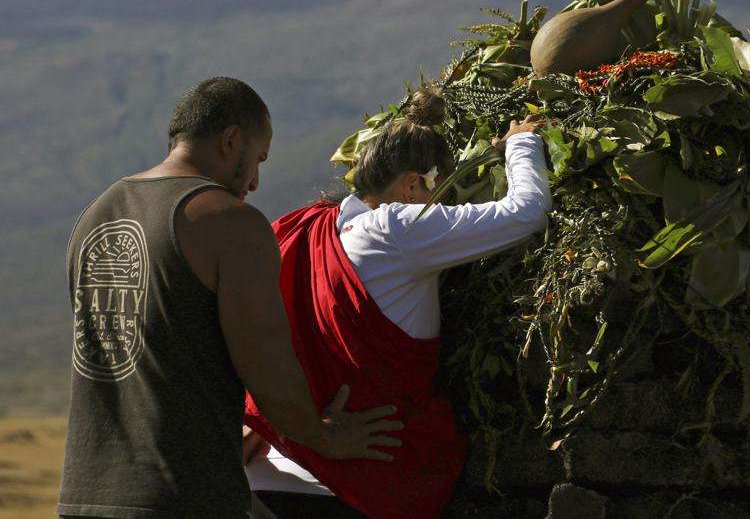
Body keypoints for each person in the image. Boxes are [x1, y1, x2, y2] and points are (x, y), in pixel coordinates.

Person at [58, 77, 401, 518]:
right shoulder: (230, 223)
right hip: (182, 499)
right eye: (257, 159)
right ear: (231, 140)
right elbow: (266, 363)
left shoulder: (96, 214)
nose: (256, 181)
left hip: (83, 495)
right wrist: (325, 437)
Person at [243, 88, 551, 518]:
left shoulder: (304, 226)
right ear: (411, 185)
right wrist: (522, 142)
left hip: (267, 474)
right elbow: (526, 211)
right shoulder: (398, 227)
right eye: (436, 193)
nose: (437, 208)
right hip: (353, 485)